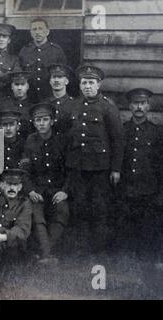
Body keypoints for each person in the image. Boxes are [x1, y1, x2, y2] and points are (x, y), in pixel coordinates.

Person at [65, 65, 123, 256]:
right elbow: (68, 135)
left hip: (100, 168)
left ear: (99, 85)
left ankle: (99, 250)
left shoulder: (108, 107)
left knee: (99, 208)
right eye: (84, 82)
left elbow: (117, 140)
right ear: (80, 85)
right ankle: (81, 249)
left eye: (91, 82)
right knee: (79, 206)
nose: (87, 86)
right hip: (78, 166)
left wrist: (116, 169)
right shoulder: (74, 105)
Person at [118, 88, 163, 262]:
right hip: (126, 190)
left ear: (148, 106)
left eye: (142, 103)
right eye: (136, 103)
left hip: (149, 192)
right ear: (130, 106)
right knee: (126, 231)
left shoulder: (157, 132)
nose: (139, 107)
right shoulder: (122, 130)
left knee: (148, 232)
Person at [23, 103, 69, 264]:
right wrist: (30, 191)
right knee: (36, 214)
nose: (41, 123)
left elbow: (70, 169)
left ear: (52, 121)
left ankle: (44, 253)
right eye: (37, 120)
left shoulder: (62, 141)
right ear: (33, 123)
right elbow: (25, 171)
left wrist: (65, 191)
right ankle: (47, 255)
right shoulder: (30, 141)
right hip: (38, 190)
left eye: (45, 119)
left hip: (57, 189)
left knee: (62, 210)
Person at [18, 18, 67, 102]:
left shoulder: (56, 51)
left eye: (40, 29)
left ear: (47, 32)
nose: (37, 32)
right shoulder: (24, 51)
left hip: (50, 97)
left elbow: (63, 75)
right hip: (30, 98)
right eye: (34, 29)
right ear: (31, 33)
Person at [0, 71, 34, 137]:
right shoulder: (2, 105)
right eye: (16, 84)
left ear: (27, 86)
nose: (19, 88)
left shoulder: (32, 107)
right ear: (12, 86)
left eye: (22, 84)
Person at [41, 64, 76, 134]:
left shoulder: (75, 104)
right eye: (54, 77)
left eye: (60, 77)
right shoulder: (44, 104)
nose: (56, 80)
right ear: (50, 81)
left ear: (66, 81)